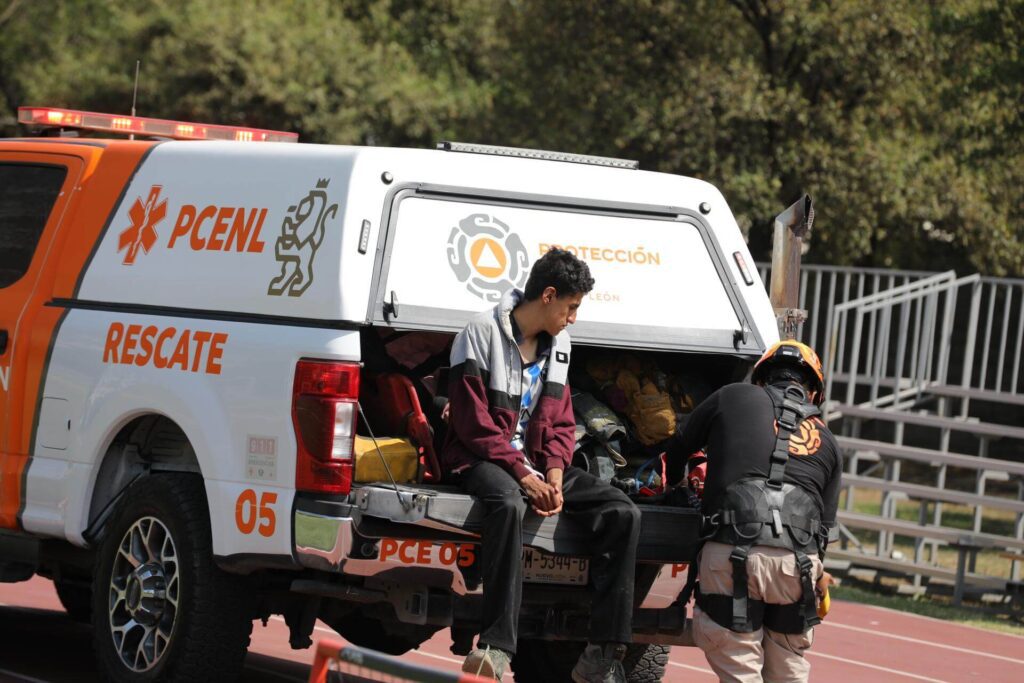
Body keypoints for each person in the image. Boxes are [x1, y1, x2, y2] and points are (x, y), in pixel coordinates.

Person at [443, 248, 641, 683]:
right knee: (508, 504)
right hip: (481, 458)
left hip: (534, 463)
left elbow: (562, 419)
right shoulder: (477, 333)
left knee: (623, 512)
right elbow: (473, 426)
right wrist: (525, 477)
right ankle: (496, 647)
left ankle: (602, 652)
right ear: (548, 296)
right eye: (571, 307)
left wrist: (553, 473)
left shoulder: (561, 346)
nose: (573, 318)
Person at [666, 340, 841, 683]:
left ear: (760, 380)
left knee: (741, 671)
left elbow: (679, 445)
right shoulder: (830, 440)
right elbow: (824, 532)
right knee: (788, 671)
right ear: (814, 394)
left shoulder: (732, 395)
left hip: (732, 550)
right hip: (799, 566)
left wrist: (676, 488)